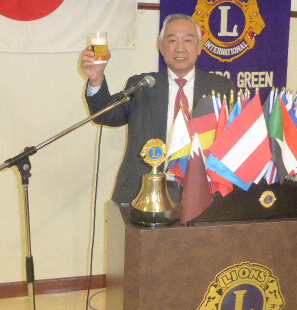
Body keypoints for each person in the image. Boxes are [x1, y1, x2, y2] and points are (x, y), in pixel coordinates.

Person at [80, 13, 235, 204]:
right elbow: (106, 116)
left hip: (204, 191)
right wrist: (96, 80)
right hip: (143, 190)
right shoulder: (142, 85)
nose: (180, 48)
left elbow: (235, 144)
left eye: (188, 40)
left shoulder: (221, 88)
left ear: (199, 46)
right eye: (172, 40)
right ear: (161, 47)